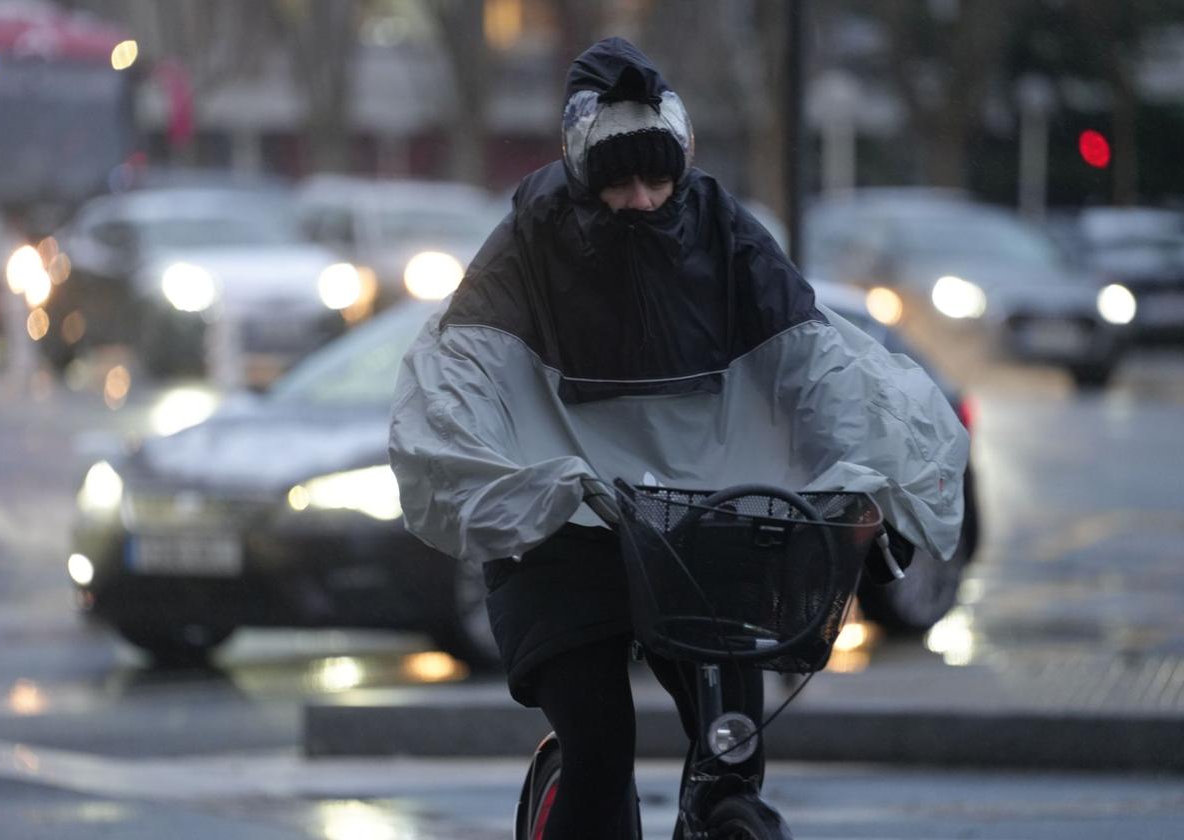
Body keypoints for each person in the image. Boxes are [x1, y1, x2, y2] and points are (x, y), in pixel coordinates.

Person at [389, 37, 969, 839]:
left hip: (699, 538)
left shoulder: (725, 235)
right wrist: (518, 485)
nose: (642, 198)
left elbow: (816, 365)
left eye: (658, 177)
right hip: (564, 538)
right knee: (600, 748)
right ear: (581, 168)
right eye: (619, 180)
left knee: (731, 753)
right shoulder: (528, 244)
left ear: (684, 165)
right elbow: (455, 381)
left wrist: (860, 475)